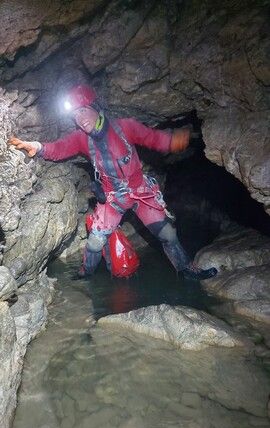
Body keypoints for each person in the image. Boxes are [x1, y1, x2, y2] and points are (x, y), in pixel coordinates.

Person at [9, 84, 217, 281]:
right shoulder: (81, 138)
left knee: (168, 234)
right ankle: (85, 274)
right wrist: (37, 146)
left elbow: (153, 138)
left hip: (139, 192)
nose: (79, 120)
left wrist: (173, 141)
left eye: (82, 111)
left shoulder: (125, 127)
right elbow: (59, 148)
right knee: (95, 242)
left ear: (95, 108)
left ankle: (187, 270)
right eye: (75, 116)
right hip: (112, 198)